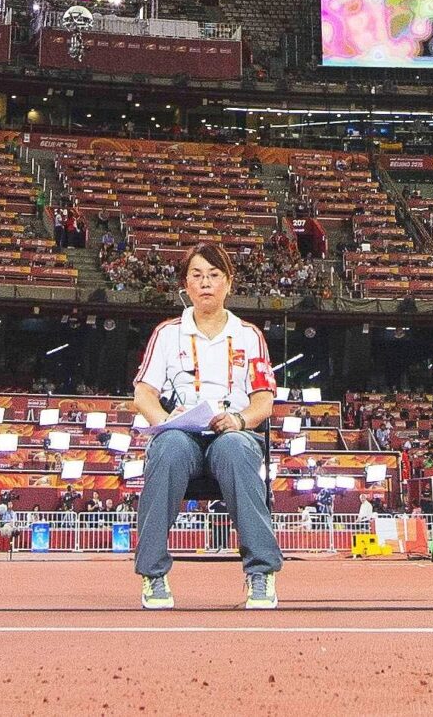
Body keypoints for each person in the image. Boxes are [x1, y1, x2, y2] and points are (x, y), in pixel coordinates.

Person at [130, 242, 282, 611]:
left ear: (228, 283)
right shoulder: (167, 333)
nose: (206, 283)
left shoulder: (249, 335)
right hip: (183, 431)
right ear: (186, 284)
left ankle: (260, 572)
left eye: (214, 276)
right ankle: (153, 573)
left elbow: (264, 398)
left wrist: (240, 419)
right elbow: (143, 393)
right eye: (197, 276)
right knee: (166, 449)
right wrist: (164, 422)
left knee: (234, 449)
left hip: (232, 431)